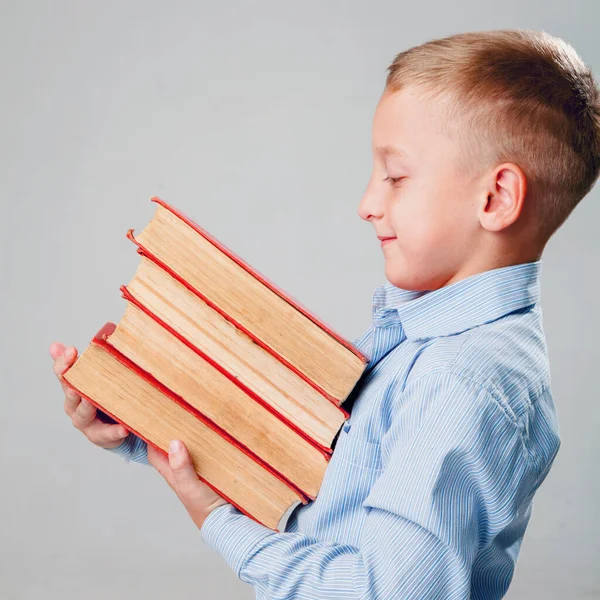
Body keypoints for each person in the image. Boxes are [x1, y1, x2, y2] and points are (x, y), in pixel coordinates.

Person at [50, 29, 600, 599]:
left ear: (495, 199)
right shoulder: (422, 346)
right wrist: (145, 426)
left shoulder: (461, 382)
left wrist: (218, 522)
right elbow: (319, 499)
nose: (367, 204)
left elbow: (381, 591)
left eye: (395, 176)